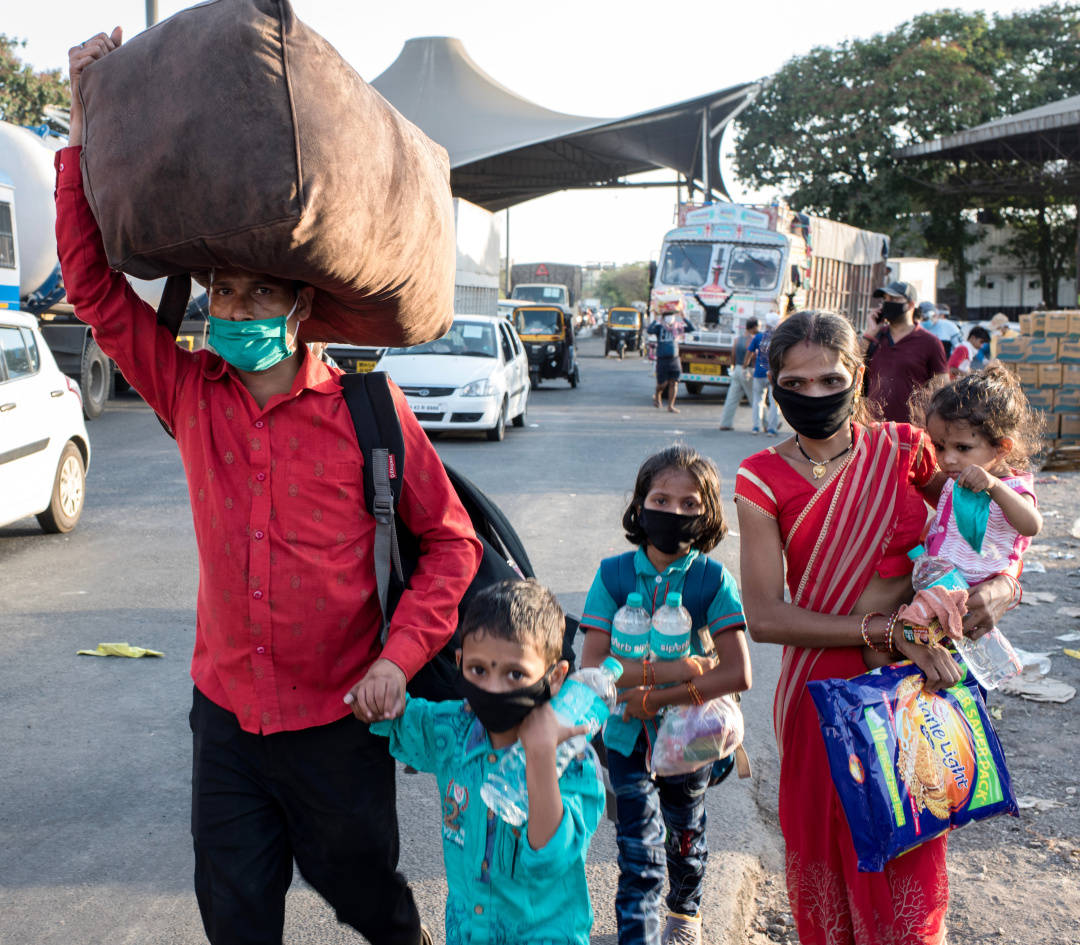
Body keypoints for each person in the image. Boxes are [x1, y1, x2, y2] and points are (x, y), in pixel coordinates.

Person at [59, 32, 482, 945]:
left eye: (257, 294)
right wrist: (81, 123)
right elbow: (93, 289)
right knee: (236, 918)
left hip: (341, 723)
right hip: (227, 727)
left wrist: (398, 657)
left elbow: (453, 543)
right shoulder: (189, 394)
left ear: (301, 308)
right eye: (222, 292)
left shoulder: (370, 408)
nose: (234, 309)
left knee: (375, 906)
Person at [734, 310, 1016, 945]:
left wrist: (1006, 586)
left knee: (908, 849)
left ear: (858, 378)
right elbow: (766, 616)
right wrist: (885, 632)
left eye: (830, 380)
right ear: (773, 385)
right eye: (794, 383)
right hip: (822, 691)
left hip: (909, 687)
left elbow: (982, 532)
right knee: (829, 858)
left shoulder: (905, 449)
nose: (813, 394)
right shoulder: (761, 476)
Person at [580, 445, 752, 945]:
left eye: (688, 504)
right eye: (660, 500)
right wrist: (675, 670)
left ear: (708, 514)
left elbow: (738, 673)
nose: (673, 512)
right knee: (636, 842)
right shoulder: (613, 575)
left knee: (684, 834)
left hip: (691, 739)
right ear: (639, 506)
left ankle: (684, 913)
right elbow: (593, 668)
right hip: (624, 736)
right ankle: (637, 931)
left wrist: (652, 695)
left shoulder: (712, 579)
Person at [372, 580, 605, 945]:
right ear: (460, 663)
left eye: (515, 674)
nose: (493, 689)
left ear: (555, 677)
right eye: (478, 670)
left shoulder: (574, 761)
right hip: (467, 932)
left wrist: (541, 758)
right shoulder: (453, 729)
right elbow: (389, 715)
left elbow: (550, 860)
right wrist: (373, 691)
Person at [918, 366, 1042, 585]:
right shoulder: (955, 479)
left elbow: (1031, 525)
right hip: (943, 582)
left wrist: (994, 486)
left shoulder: (1012, 488)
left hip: (977, 589)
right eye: (939, 447)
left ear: (1002, 447)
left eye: (963, 448)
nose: (948, 459)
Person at [862, 280, 948, 423]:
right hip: (873, 427)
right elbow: (853, 365)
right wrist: (869, 333)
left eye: (893, 299)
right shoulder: (875, 337)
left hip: (911, 429)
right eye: (885, 299)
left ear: (910, 304)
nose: (887, 303)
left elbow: (942, 389)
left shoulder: (930, 342)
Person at [647, 305, 693, 413]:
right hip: (662, 359)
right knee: (662, 384)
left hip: (674, 359)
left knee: (674, 382)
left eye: (671, 316)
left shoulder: (677, 328)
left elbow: (691, 328)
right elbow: (649, 330)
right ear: (663, 318)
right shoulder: (659, 328)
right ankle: (657, 394)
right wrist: (655, 319)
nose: (670, 318)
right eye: (667, 316)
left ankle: (671, 406)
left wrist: (684, 317)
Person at [718, 317, 759, 430]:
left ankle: (725, 423)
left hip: (737, 368)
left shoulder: (737, 339)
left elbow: (733, 354)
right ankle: (766, 424)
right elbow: (752, 355)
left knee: (731, 398)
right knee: (756, 398)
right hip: (747, 370)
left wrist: (733, 366)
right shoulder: (752, 340)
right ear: (754, 327)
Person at [746, 311, 781, 435]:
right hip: (774, 374)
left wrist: (745, 366)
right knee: (774, 402)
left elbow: (749, 352)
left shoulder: (758, 337)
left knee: (757, 401)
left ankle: (756, 427)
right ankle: (772, 429)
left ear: (766, 324)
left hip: (759, 373)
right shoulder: (779, 338)